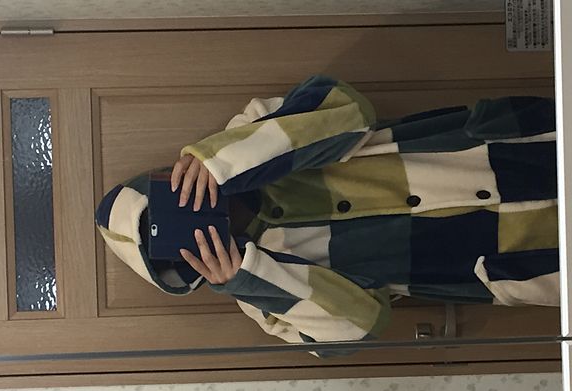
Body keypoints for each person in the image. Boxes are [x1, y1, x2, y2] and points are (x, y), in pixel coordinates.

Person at [96, 75, 559, 352]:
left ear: (166, 182)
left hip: (500, 151)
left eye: (168, 210)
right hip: (517, 257)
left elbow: (348, 109)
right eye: (173, 245)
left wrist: (224, 163)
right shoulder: (263, 299)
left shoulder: (244, 137)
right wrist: (249, 276)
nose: (189, 227)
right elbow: (362, 325)